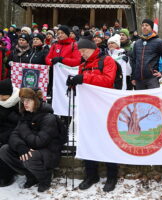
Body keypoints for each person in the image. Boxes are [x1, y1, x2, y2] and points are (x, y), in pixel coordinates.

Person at [66, 37, 119, 192]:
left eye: (84, 51)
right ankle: (91, 175)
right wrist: (73, 84)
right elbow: (83, 87)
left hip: (106, 107)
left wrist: (84, 78)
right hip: (88, 109)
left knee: (108, 140)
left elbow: (108, 80)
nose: (81, 54)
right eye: (80, 51)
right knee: (88, 139)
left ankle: (111, 176)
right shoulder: (83, 65)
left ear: (92, 48)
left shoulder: (107, 61)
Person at [0, 88, 63, 192]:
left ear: (36, 101)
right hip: (33, 151)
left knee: (29, 157)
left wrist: (23, 130)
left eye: (28, 100)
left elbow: (39, 142)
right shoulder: (26, 114)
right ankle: (31, 175)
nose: (25, 103)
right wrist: (20, 146)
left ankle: (45, 179)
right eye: (23, 100)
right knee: (4, 150)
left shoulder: (48, 117)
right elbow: (14, 135)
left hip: (49, 154)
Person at [131, 19, 162, 90]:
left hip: (152, 79)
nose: (144, 27)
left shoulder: (158, 42)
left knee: (152, 100)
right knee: (140, 100)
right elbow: (133, 60)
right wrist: (133, 77)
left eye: (147, 25)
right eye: (142, 25)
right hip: (139, 80)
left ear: (151, 28)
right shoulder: (137, 43)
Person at [45, 25, 81, 96]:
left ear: (67, 34)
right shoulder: (55, 45)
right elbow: (47, 58)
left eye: (62, 33)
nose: (60, 35)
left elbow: (77, 61)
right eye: (58, 33)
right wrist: (52, 63)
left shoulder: (74, 45)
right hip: (54, 74)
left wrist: (62, 60)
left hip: (66, 74)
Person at [0, 79, 20, 187]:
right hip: (3, 132)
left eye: (3, 95)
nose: (1, 98)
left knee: (4, 148)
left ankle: (5, 177)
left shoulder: (19, 101)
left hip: (13, 135)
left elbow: (21, 123)